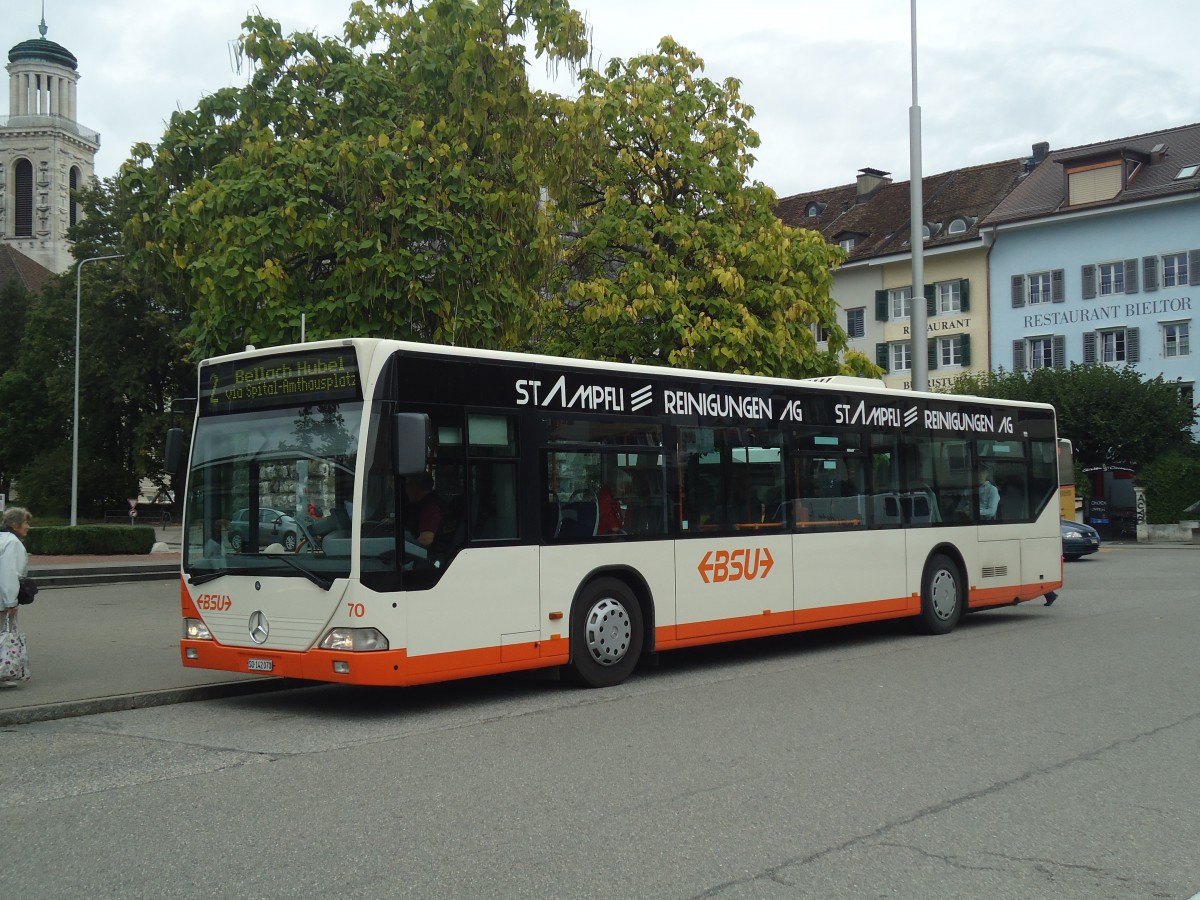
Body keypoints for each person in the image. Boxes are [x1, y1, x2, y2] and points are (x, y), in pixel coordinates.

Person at [0, 506, 32, 682]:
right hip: (1, 598)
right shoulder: (12, 542)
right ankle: (4, 672)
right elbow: (9, 573)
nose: (27, 526)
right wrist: (11, 601)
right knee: (3, 636)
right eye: (26, 522)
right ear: (16, 524)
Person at [402, 472, 445, 549]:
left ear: (417, 486)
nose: (405, 489)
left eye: (406, 485)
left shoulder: (431, 507)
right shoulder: (415, 504)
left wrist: (404, 548)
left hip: (428, 555)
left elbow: (426, 540)